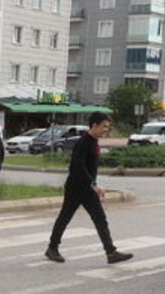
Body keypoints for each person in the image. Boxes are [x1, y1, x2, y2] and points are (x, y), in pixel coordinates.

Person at [45, 112, 133, 264]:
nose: (106, 130)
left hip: (88, 189)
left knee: (100, 219)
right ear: (94, 125)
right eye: (104, 126)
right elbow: (77, 167)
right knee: (65, 217)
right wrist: (93, 184)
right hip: (76, 188)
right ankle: (52, 248)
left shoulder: (93, 141)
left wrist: (92, 185)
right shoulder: (83, 142)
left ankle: (111, 252)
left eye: (108, 127)